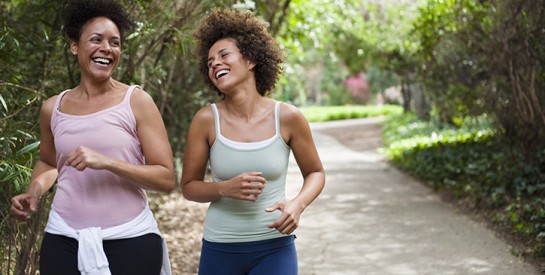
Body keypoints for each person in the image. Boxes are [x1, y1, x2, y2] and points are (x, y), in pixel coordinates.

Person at [9, 0, 175, 274]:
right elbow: (50, 163)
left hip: (130, 238)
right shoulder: (53, 107)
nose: (107, 48)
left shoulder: (137, 101)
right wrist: (34, 190)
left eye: (115, 42)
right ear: (74, 46)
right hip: (63, 237)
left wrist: (107, 162)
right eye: (96, 39)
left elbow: (167, 178)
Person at [181, 8, 326, 275]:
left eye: (224, 55)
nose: (215, 64)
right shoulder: (205, 120)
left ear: (251, 60)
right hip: (220, 247)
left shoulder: (288, 117)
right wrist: (224, 188)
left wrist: (298, 204)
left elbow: (315, 172)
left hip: (275, 248)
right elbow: (189, 187)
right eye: (210, 61)